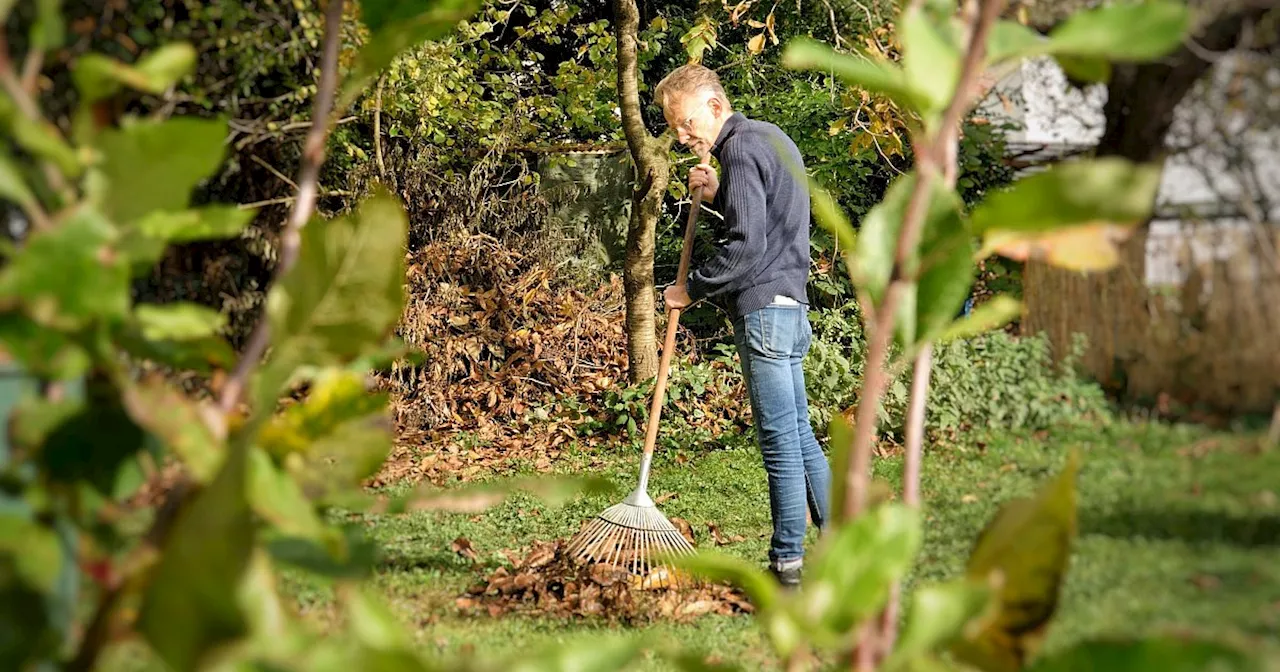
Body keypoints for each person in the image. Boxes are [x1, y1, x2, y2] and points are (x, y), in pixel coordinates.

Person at [653, 63, 830, 587]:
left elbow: (746, 247)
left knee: (779, 442)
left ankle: (786, 567)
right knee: (799, 435)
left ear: (713, 105)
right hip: (791, 306)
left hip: (766, 311)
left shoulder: (739, 148)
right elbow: (766, 222)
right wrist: (714, 196)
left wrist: (693, 287)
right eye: (674, 129)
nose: (683, 136)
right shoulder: (768, 139)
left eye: (686, 124)